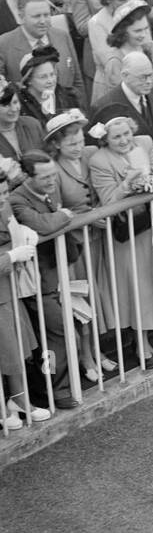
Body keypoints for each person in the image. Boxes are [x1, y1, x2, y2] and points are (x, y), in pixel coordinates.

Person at [86, 113, 153, 370]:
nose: (124, 140)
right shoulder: (99, 160)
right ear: (105, 139)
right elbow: (108, 201)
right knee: (136, 284)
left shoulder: (145, 143)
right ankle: (141, 342)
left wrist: (149, 183)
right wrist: (129, 186)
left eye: (127, 133)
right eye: (117, 136)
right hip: (127, 232)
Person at [8, 149, 80, 409]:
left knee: (59, 333)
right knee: (57, 333)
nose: (52, 181)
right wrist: (64, 215)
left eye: (53, 175)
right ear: (27, 177)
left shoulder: (48, 189)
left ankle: (54, 387)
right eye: (45, 177)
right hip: (33, 284)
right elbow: (43, 225)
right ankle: (54, 390)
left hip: (52, 276)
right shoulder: (16, 200)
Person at [45, 108, 112, 377]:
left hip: (96, 241)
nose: (77, 147)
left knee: (97, 297)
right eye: (71, 143)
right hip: (73, 247)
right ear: (56, 144)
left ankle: (98, 350)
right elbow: (58, 213)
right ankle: (85, 357)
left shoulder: (90, 156)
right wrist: (90, 218)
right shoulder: (54, 171)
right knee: (80, 300)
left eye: (81, 140)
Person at [0, 182, 44, 429]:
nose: (4, 198)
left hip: (6, 291)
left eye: (5, 192)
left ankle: (17, 401)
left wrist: (24, 231)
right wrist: (11, 257)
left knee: (13, 351)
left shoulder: (3, 207)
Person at [0, 0, 84, 95]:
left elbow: (77, 80)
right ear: (21, 17)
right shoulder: (4, 44)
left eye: (46, 15)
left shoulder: (62, 36)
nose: (43, 21)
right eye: (36, 16)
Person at [91, 49, 153, 152]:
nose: (149, 81)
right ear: (125, 76)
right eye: (143, 77)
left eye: (151, 75)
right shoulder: (104, 105)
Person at [90, 0, 152, 104]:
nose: (143, 34)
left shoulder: (142, 49)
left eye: (145, 28)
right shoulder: (116, 61)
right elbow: (117, 102)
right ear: (123, 31)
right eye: (137, 31)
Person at [17, 44, 78, 128]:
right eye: (43, 77)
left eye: (52, 74)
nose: (50, 81)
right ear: (28, 80)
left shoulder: (69, 98)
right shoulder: (20, 107)